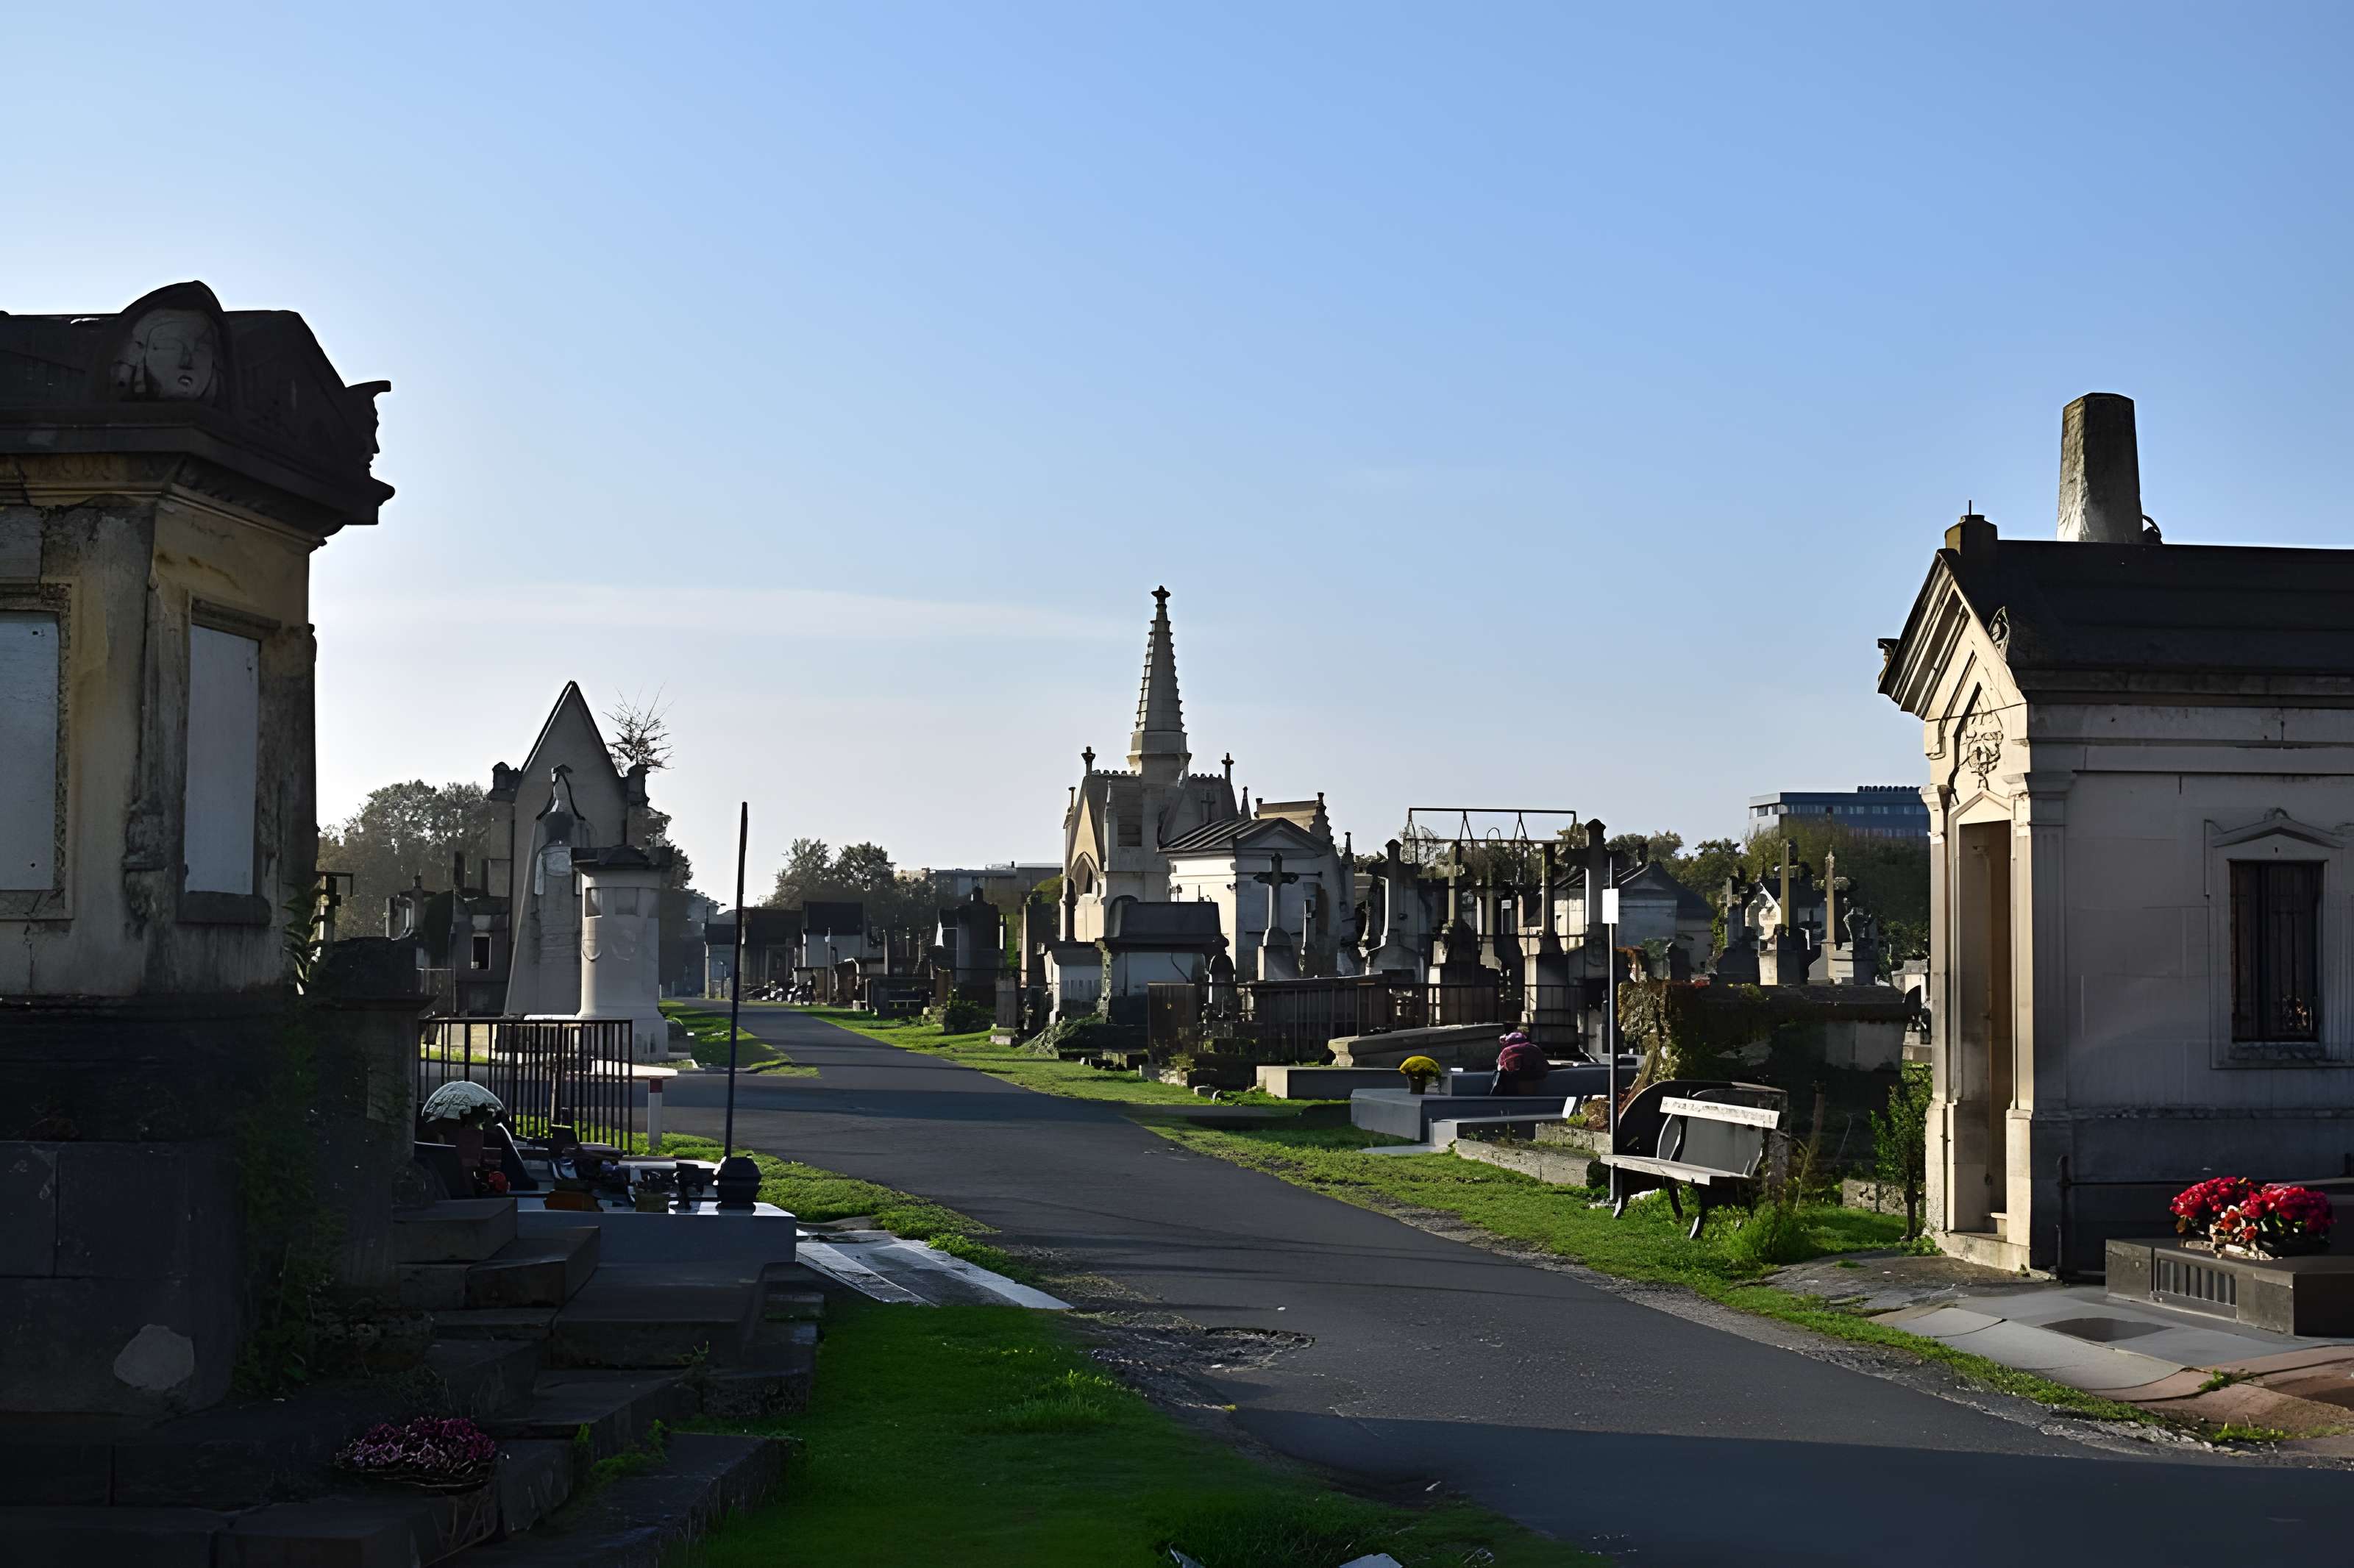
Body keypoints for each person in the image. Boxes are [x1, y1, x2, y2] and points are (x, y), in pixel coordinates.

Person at [1493, 1030, 1548, 1095]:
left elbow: (1499, 1068)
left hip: (1520, 1078)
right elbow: (1545, 1066)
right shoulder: (1535, 1048)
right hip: (1537, 1073)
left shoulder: (1506, 1051)